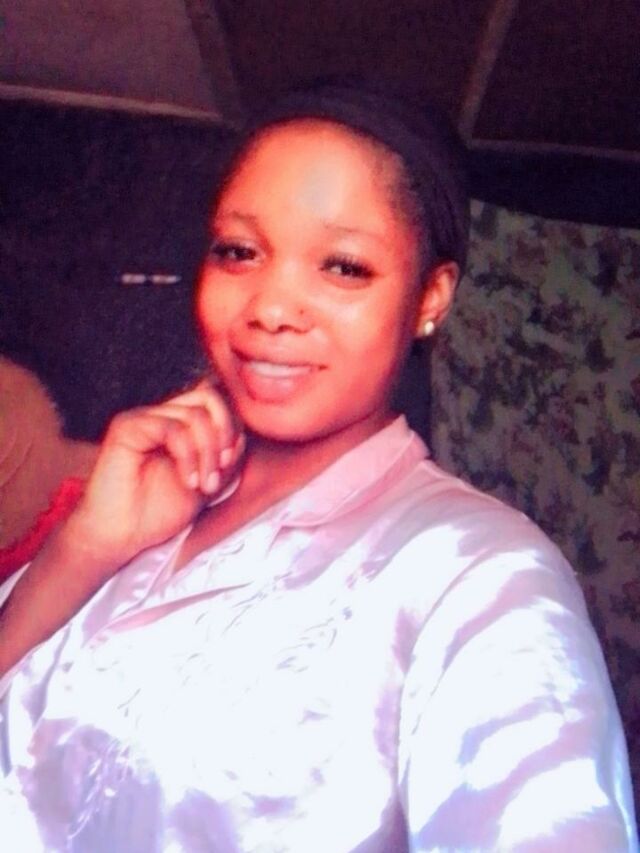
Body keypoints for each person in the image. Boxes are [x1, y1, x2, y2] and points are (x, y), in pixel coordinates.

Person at [0, 81, 636, 852]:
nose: (271, 307)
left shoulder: (480, 576)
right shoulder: (144, 500)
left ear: (430, 297)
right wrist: (84, 548)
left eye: (343, 266)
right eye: (239, 251)